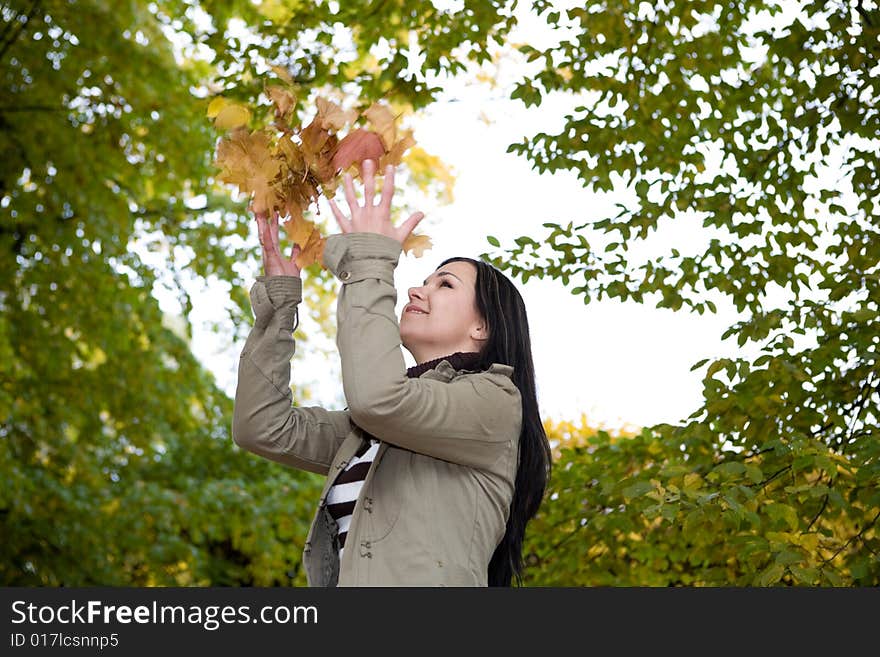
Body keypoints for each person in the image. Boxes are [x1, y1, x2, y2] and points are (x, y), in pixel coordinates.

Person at [232, 158, 552, 586]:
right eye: (424, 279)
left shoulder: (495, 402)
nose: (417, 289)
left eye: (446, 284)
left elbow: (379, 398)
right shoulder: (372, 430)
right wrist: (280, 305)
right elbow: (263, 428)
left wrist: (368, 259)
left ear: (483, 327)